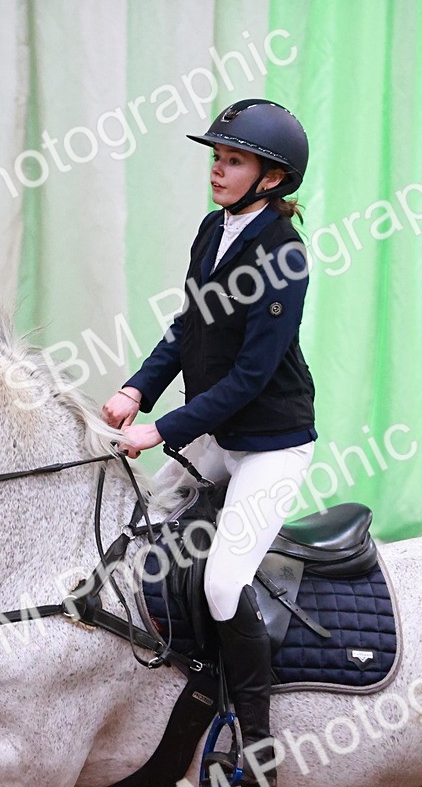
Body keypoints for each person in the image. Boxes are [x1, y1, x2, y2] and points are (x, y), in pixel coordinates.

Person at [102, 98, 317, 786]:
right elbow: (188, 327)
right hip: (216, 432)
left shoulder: (284, 255)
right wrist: (139, 390)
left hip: (270, 446)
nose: (218, 171)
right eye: (217, 159)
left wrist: (159, 430)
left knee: (225, 579)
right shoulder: (211, 230)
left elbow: (253, 376)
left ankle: (258, 746)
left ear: (272, 179)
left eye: (233, 161)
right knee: (132, 538)